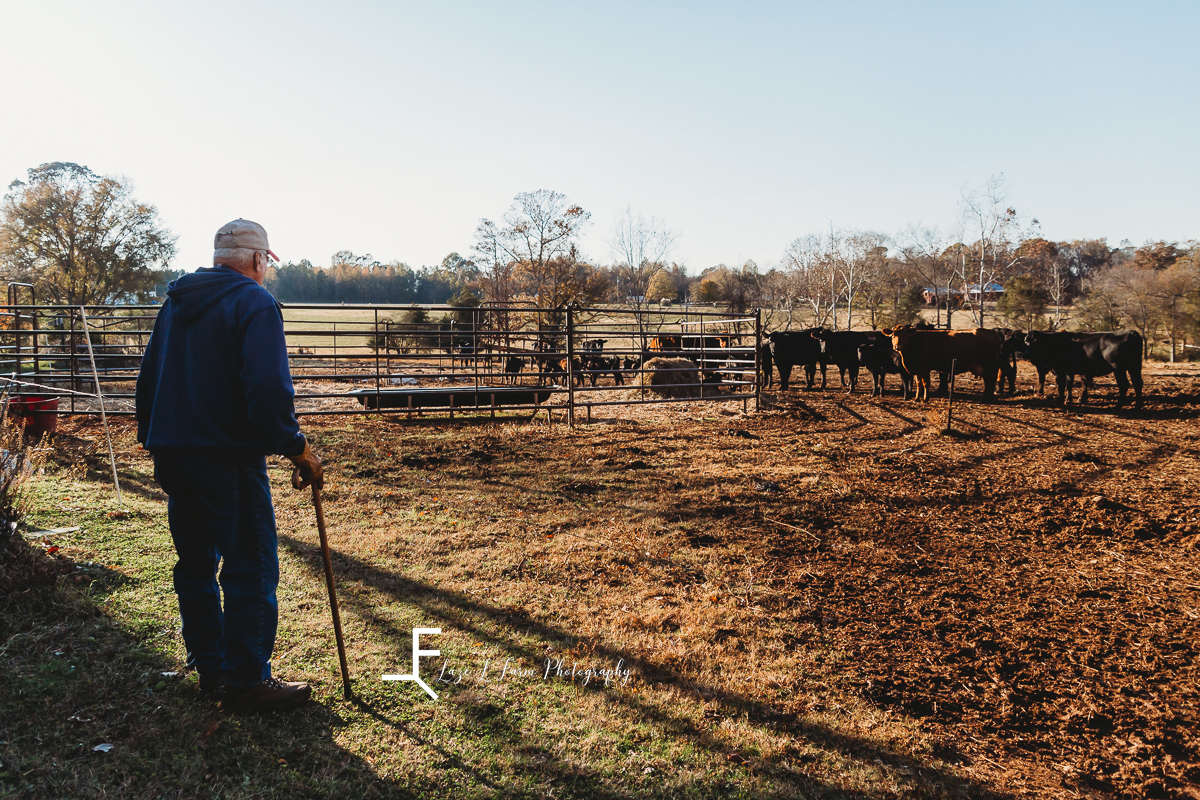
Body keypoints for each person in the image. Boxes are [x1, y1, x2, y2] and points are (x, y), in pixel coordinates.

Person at [136, 218, 323, 712]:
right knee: (251, 565)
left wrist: (152, 441)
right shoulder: (254, 302)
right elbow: (267, 393)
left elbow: (148, 377)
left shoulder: (175, 304)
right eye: (267, 263)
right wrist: (296, 447)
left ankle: (209, 666)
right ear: (259, 261)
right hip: (228, 458)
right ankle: (245, 681)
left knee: (194, 562)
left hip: (175, 453)